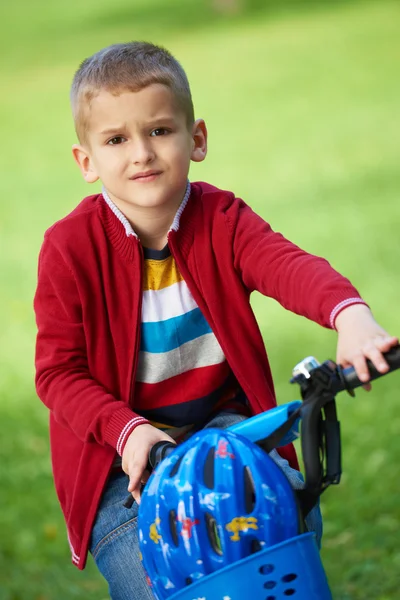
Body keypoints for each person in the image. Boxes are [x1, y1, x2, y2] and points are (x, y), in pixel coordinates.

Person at [34, 41, 398, 599]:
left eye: (159, 130)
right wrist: (127, 432)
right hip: (123, 462)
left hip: (224, 432)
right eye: (115, 140)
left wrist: (350, 317)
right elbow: (57, 373)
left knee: (285, 519)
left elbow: (288, 266)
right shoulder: (69, 248)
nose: (141, 154)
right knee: (155, 575)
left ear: (196, 138)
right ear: (87, 161)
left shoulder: (223, 219)